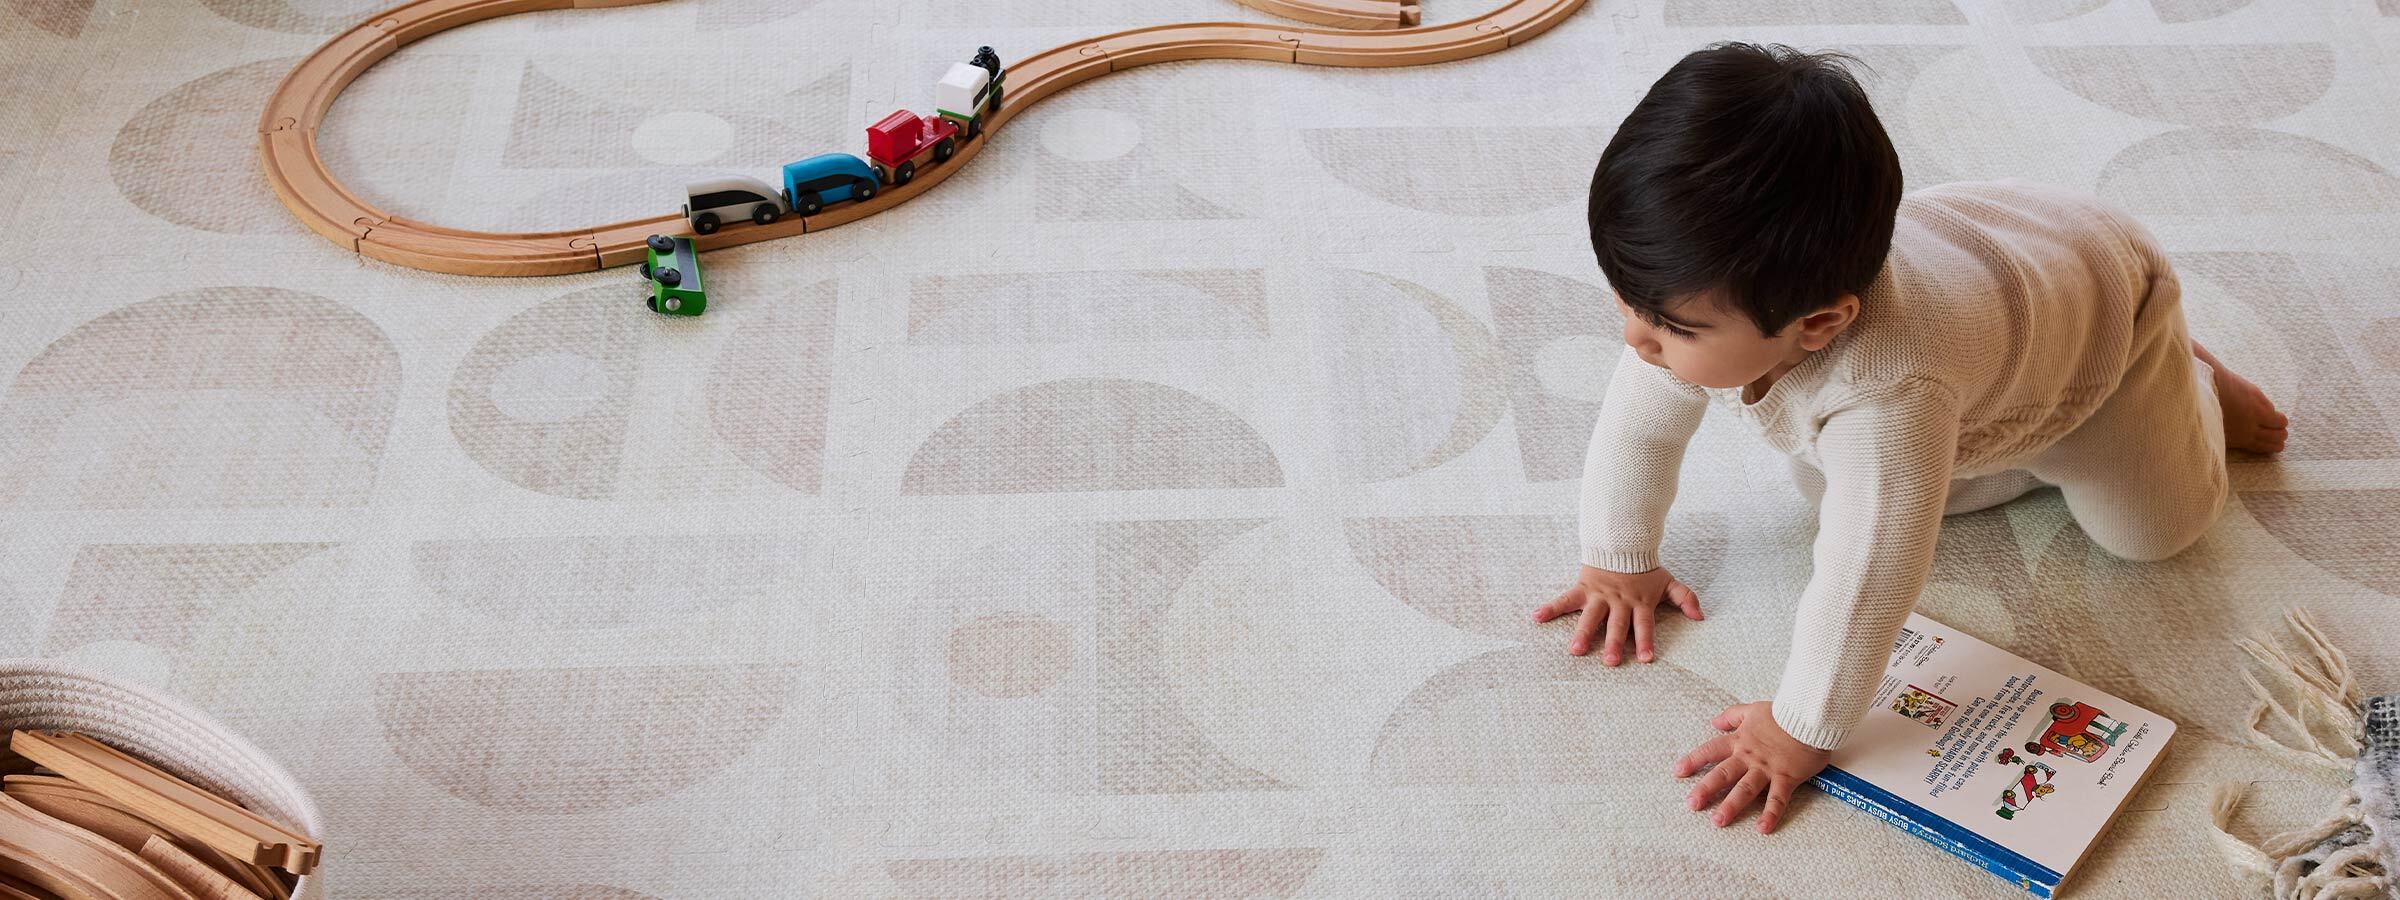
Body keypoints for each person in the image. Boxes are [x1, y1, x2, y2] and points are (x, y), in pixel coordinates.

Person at [1532, 41, 2288, 835]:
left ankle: (2188, 374)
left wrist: (1801, 728)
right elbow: (1639, 430)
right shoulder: (1699, 306)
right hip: (2002, 274)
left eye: (1668, 325)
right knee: (1831, 485)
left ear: (1819, 324)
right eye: (1626, 298)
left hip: (2102, 325)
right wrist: (1618, 560)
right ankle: (2023, 424)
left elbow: (1868, 578)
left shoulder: (1891, 393)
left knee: (2152, 532)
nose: (1635, 338)